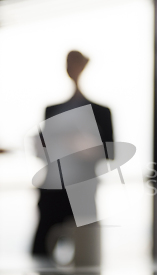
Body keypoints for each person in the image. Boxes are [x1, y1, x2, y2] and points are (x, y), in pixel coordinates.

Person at [32, 51, 114, 255]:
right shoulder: (51, 109)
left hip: (82, 192)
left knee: (85, 254)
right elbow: (43, 149)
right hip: (52, 192)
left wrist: (83, 147)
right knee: (41, 251)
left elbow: (109, 151)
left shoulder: (101, 111)